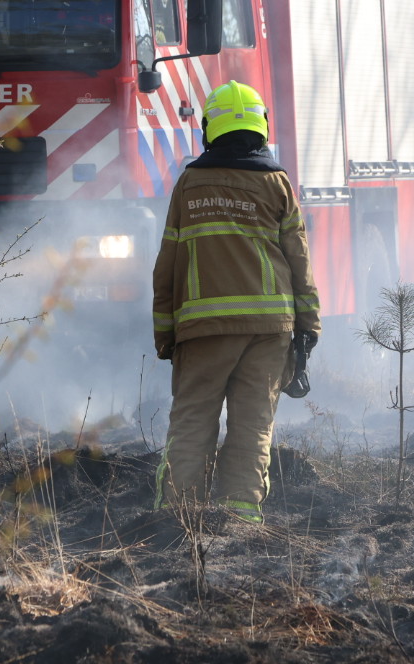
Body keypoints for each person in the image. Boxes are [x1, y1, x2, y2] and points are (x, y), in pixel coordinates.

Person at [151, 81, 321, 524]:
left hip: (203, 330)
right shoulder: (277, 183)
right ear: (261, 125)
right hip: (269, 330)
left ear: (210, 127)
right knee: (252, 424)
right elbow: (299, 260)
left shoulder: (190, 184)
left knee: (192, 421)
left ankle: (178, 518)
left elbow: (167, 264)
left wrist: (165, 334)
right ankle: (241, 518)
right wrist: (309, 326)